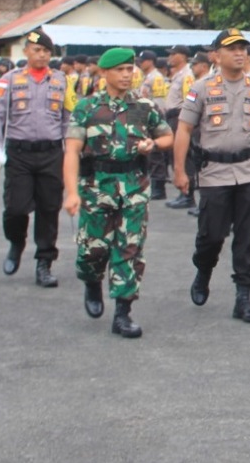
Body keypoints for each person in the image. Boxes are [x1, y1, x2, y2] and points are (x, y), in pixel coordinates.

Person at [63, 48, 173, 338]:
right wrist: (71, 192)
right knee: (93, 250)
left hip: (134, 186)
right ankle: (91, 282)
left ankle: (123, 314)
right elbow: (72, 151)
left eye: (130, 69)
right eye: (121, 70)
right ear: (104, 73)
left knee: (130, 249)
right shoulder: (86, 107)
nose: (127, 75)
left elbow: (167, 136)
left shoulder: (144, 106)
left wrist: (154, 145)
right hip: (97, 188)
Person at [173, 28, 250, 323]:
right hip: (215, 173)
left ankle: (243, 297)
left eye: (243, 48)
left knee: (247, 237)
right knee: (211, 235)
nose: (240, 53)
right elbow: (183, 129)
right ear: (216, 55)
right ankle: (203, 270)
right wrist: (180, 171)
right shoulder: (201, 88)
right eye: (232, 48)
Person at [0, 29, 77, 287]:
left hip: (51, 153)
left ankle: (44, 263)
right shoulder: (9, 80)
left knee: (49, 209)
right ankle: (16, 242)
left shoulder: (61, 80)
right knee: (15, 207)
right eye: (37, 50)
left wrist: (73, 148)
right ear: (26, 52)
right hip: (20, 153)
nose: (42, 55)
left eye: (47, 51)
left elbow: (69, 117)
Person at [164, 45, 198, 211]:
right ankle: (182, 193)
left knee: (185, 156)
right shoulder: (177, 75)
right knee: (174, 155)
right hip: (172, 118)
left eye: (173, 54)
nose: (170, 57)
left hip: (180, 117)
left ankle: (188, 195)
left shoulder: (187, 76)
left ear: (183, 56)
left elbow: (188, 101)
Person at [136, 50, 170, 201]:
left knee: (156, 152)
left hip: (154, 116)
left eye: (143, 61)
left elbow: (159, 99)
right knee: (150, 152)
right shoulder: (148, 77)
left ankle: (159, 188)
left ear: (150, 61)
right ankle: (154, 184)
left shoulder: (156, 78)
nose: (141, 63)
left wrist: (157, 116)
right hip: (146, 115)